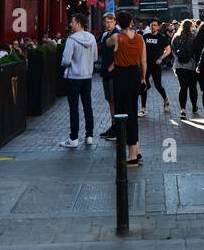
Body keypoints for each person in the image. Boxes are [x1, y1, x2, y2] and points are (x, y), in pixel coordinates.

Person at [107, 12, 146, 166]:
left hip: (121, 76)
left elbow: (108, 42)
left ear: (118, 23)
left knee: (125, 114)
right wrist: (143, 78)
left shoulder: (117, 37)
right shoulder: (140, 38)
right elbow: (143, 61)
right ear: (131, 22)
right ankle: (137, 149)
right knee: (132, 111)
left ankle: (132, 155)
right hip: (135, 75)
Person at [60, 13, 98, 148]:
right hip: (87, 77)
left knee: (74, 108)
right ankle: (89, 136)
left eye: (72, 21)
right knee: (88, 106)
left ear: (77, 23)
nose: (70, 24)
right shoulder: (92, 38)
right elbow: (95, 58)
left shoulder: (71, 39)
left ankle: (74, 138)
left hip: (74, 77)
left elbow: (66, 61)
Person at [141, 19, 171, 117]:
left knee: (158, 85)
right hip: (146, 64)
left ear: (158, 27)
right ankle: (143, 108)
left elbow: (168, 50)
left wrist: (161, 58)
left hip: (156, 65)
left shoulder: (162, 38)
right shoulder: (145, 37)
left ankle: (166, 100)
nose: (153, 26)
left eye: (155, 25)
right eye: (151, 25)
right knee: (144, 85)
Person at [97, 12, 120, 140]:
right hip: (105, 72)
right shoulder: (105, 35)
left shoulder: (117, 34)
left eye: (111, 22)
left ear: (115, 22)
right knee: (110, 100)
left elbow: (119, 53)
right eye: (106, 22)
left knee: (114, 100)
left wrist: (112, 67)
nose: (108, 24)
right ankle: (113, 126)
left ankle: (117, 129)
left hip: (114, 73)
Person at [171, 19, 199, 119]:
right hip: (191, 66)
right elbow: (196, 51)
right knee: (193, 87)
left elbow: (173, 51)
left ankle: (183, 110)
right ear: (190, 27)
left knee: (182, 87)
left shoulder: (176, 36)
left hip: (179, 66)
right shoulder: (193, 37)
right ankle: (194, 106)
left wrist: (178, 59)